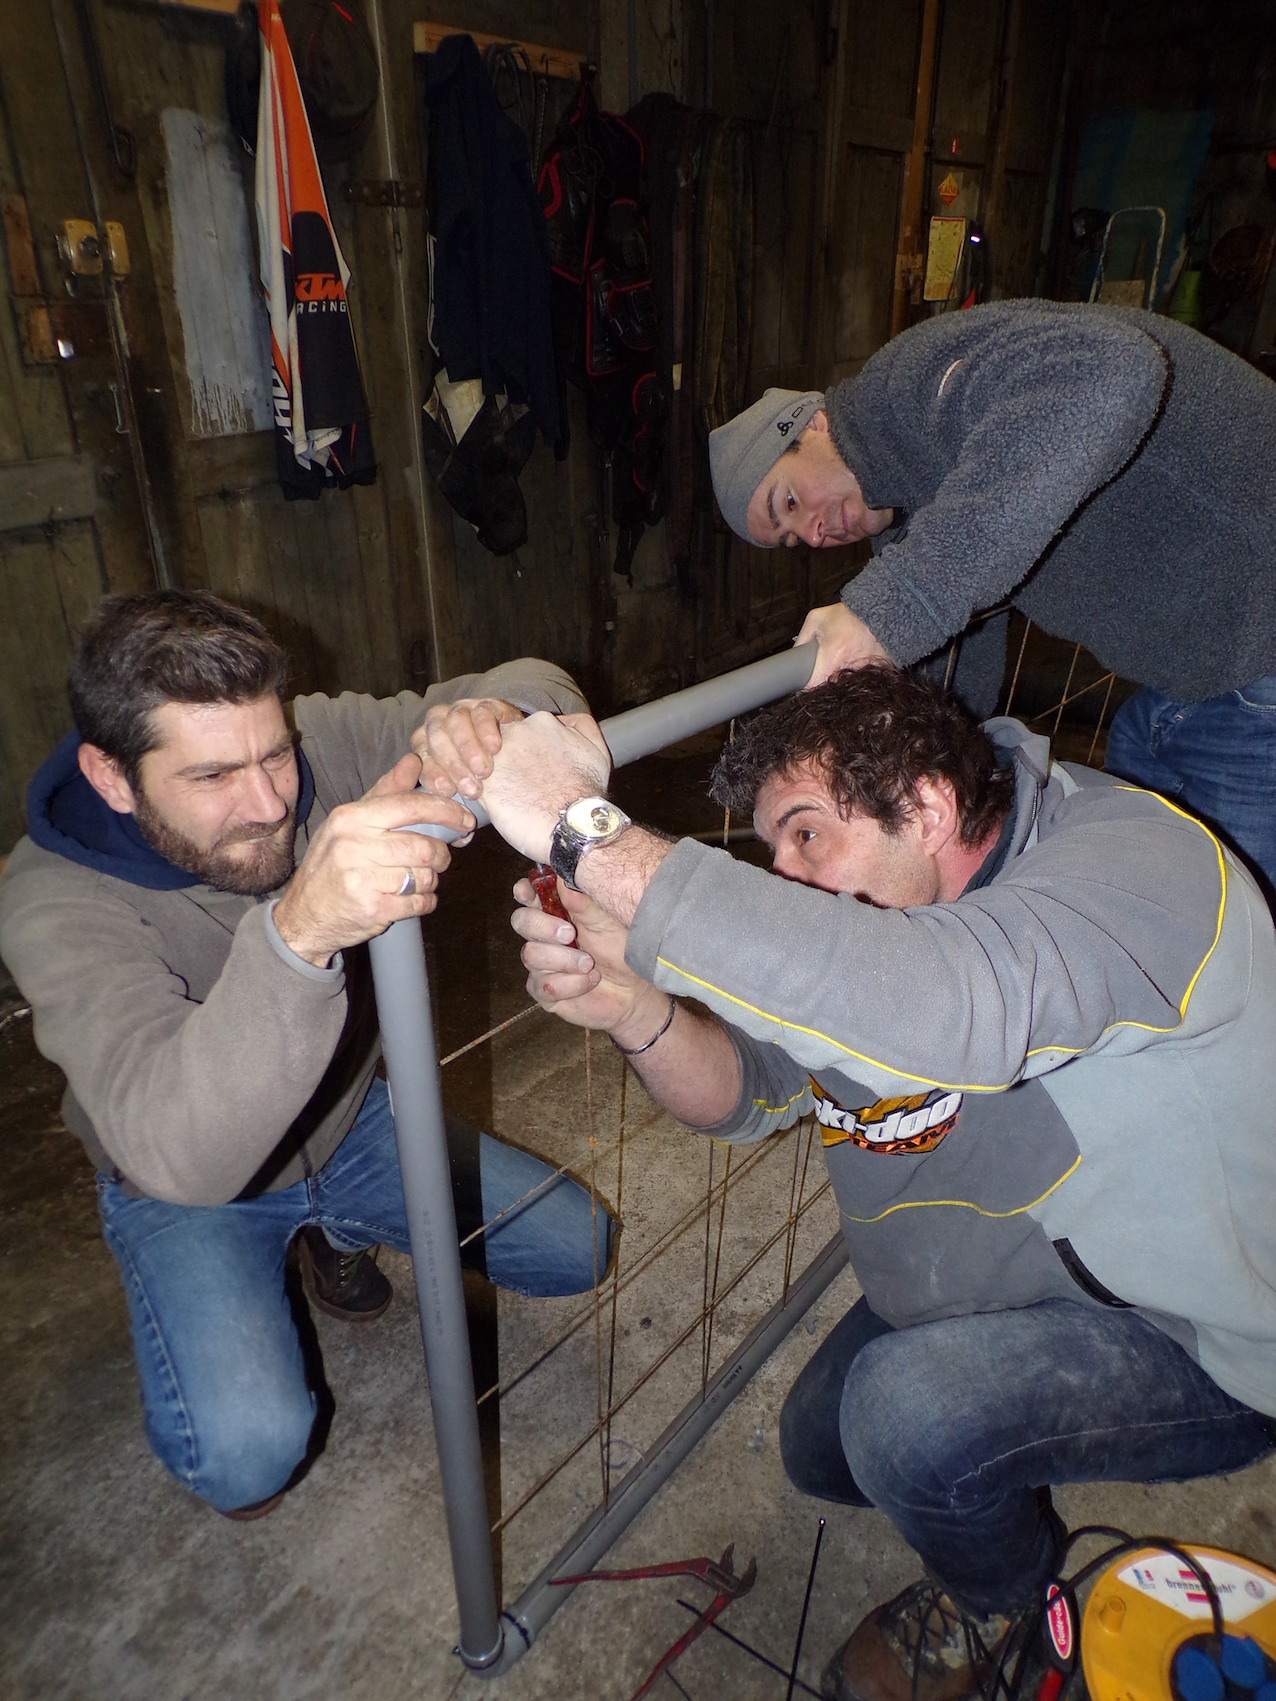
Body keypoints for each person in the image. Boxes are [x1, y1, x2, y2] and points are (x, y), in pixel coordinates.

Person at [471, 666, 1276, 1701]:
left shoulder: (1144, 869)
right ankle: (980, 1455)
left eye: (806, 833)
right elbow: (743, 1094)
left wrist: (584, 831)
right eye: (772, 850)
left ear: (929, 808)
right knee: (824, 1449)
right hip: (991, 1278)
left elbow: (959, 1008)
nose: (786, 875)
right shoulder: (872, 912)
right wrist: (634, 1007)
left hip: (1198, 1333)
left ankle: (1003, 1599)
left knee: (902, 1419)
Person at [0, 591, 613, 1520]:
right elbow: (178, 1148)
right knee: (249, 1451)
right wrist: (298, 935)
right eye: (212, 775)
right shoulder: (53, 900)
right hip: (188, 1183)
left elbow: (536, 680)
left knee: (580, 1247)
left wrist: (498, 718)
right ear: (111, 777)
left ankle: (336, 1232)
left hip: (344, 1126)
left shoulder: (314, 743)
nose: (271, 802)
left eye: (275, 754)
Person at [706, 298, 1276, 896]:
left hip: (1257, 634)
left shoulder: (910, 390)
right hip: (1197, 674)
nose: (815, 533)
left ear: (815, 425)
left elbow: (1117, 368)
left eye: (789, 502)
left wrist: (890, 606)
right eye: (793, 538)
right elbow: (955, 674)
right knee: (1134, 865)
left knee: (1235, 908)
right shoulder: (911, 515)